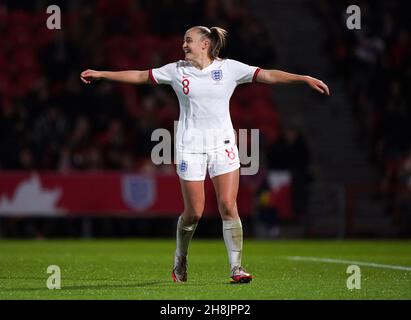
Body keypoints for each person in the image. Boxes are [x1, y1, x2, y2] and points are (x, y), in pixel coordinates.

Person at [80, 26, 330, 283]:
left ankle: (236, 268)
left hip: (223, 146)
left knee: (228, 206)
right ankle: (180, 259)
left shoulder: (230, 68)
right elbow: (142, 75)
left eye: (188, 40)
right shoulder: (177, 70)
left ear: (205, 44)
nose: (184, 45)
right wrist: (103, 74)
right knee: (194, 213)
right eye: (183, 41)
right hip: (190, 147)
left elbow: (267, 75)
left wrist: (303, 78)